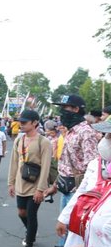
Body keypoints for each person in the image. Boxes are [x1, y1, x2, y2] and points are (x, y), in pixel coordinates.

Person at [45, 95, 98, 228]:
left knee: (71, 236)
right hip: (66, 188)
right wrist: (55, 185)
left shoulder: (86, 132)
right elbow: (66, 164)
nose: (62, 112)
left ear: (75, 109)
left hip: (77, 193)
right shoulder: (71, 131)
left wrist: (84, 199)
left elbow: (92, 169)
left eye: (65, 108)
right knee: (63, 232)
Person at [8, 109, 52, 247]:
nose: (21, 125)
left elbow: (46, 166)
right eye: (20, 122)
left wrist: (41, 189)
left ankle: (29, 244)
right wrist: (11, 182)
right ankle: (31, 231)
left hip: (36, 186)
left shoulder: (44, 142)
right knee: (21, 212)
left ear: (35, 123)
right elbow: (14, 162)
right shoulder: (19, 140)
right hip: (21, 184)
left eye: (24, 122)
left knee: (31, 214)